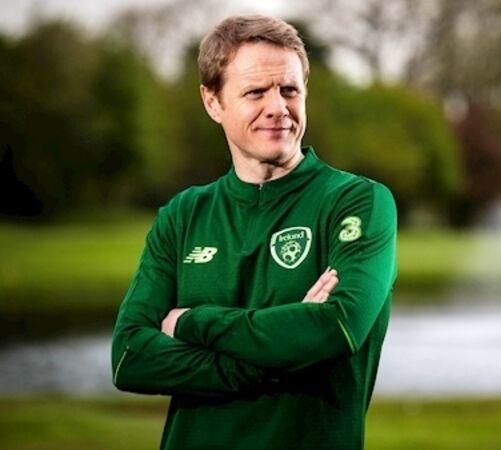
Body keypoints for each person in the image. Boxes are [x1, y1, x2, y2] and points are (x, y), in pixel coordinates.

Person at [111, 15, 397, 450]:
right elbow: (130, 356)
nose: (277, 107)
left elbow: (336, 327)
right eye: (256, 92)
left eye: (290, 90)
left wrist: (191, 322)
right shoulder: (183, 214)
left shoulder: (357, 202)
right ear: (213, 102)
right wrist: (277, 354)